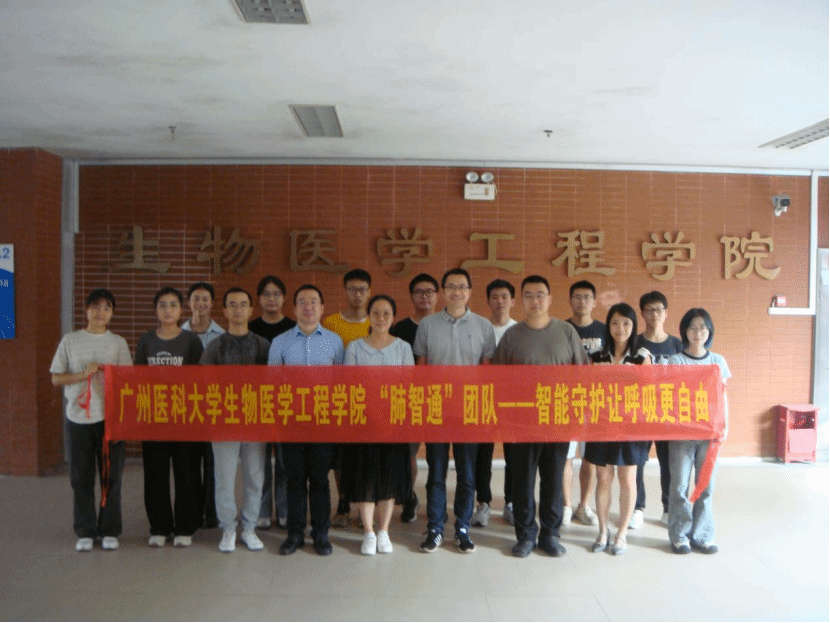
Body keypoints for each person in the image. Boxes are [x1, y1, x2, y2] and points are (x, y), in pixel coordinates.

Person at [494, 275, 589, 558]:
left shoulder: (566, 332)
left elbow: (582, 374)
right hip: (521, 424)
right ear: (520, 301)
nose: (535, 301)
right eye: (529, 295)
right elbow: (497, 379)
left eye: (540, 295)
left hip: (558, 421)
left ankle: (550, 534)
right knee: (522, 482)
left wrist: (578, 414)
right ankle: (525, 535)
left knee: (553, 481)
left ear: (549, 299)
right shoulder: (512, 336)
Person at [413, 268, 496, 554]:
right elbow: (421, 368)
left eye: (462, 287)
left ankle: (462, 528)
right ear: (443, 291)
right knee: (436, 471)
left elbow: (488, 371)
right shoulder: (427, 325)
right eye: (451, 287)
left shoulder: (484, 326)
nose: (456, 292)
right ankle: (435, 526)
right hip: (437, 407)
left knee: (467, 473)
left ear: (470, 292)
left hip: (469, 409)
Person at [50, 288, 132, 552]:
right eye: (96, 306)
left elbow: (127, 381)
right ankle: (85, 530)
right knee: (80, 478)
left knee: (111, 479)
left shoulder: (118, 343)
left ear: (112, 314)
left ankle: (109, 530)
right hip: (78, 420)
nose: (100, 312)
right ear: (86, 310)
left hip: (110, 421)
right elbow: (56, 378)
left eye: (107, 308)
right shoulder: (70, 340)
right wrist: (83, 374)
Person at [269, 285, 345, 556]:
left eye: (314, 301)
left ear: (322, 308)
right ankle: (295, 534)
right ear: (294, 309)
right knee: (295, 479)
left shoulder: (335, 342)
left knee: (320, 479)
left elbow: (341, 383)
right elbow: (272, 384)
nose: (308, 307)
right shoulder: (280, 342)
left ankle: (321, 533)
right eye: (302, 302)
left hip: (323, 420)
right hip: (291, 421)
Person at [199, 287, 270, 553]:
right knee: (224, 479)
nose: (238, 309)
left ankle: (249, 528)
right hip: (224, 422)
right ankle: (228, 527)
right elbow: (204, 385)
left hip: (255, 421)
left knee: (255, 478)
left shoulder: (263, 345)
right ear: (225, 311)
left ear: (251, 310)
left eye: (243, 304)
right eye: (232, 304)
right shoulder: (215, 346)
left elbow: (274, 384)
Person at [342, 295, 414, 555]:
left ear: (393, 317)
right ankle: (368, 532)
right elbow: (350, 385)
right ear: (369, 316)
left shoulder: (403, 348)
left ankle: (383, 531)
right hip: (364, 423)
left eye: (386, 313)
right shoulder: (355, 347)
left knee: (388, 478)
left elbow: (408, 386)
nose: (381, 318)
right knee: (366, 478)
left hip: (393, 424)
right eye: (376, 313)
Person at [136, 287, 204, 547]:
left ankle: (185, 527)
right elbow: (137, 379)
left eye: (173, 305)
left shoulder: (191, 341)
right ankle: (159, 527)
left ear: (181, 310)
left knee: (187, 473)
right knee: (155, 474)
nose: (168, 310)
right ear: (156, 310)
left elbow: (199, 380)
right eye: (162, 305)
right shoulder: (146, 341)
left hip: (185, 418)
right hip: (154, 419)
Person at [584, 303, 652, 556]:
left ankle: (621, 533)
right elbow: (587, 389)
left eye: (626, 323)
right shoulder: (596, 355)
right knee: (603, 478)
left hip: (631, 428)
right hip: (601, 425)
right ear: (608, 325)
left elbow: (650, 393)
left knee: (627, 479)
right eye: (614, 322)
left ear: (633, 326)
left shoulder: (641, 356)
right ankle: (603, 531)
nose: (620, 328)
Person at [668, 308, 730, 555]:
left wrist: (725, 425)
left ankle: (703, 535)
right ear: (684, 331)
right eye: (692, 327)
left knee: (705, 487)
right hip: (681, 434)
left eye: (703, 327)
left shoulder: (718, 361)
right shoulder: (676, 361)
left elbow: (723, 397)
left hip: (709, 434)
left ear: (709, 331)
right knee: (679, 487)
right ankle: (679, 535)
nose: (698, 332)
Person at [323, 268, 372, 527]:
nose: (357, 294)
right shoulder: (331, 323)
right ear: (345, 291)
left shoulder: (376, 321)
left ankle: (365, 506)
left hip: (371, 401)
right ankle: (342, 503)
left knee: (365, 456)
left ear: (369, 292)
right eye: (352, 289)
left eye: (362, 289)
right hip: (340, 400)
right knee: (340, 457)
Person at [248, 275, 296, 532]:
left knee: (286, 460)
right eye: (266, 294)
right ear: (259, 299)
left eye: (276, 293)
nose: (271, 299)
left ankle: (285, 509)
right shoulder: (250, 328)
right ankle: (263, 510)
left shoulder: (293, 328)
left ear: (284, 298)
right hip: (258, 402)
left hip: (286, 402)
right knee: (261, 461)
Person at [391, 273, 439, 523]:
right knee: (407, 454)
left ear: (437, 295)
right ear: (411, 296)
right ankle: (409, 498)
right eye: (419, 292)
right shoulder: (400, 328)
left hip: (440, 399)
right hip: (409, 400)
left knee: (437, 455)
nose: (425, 296)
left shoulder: (443, 326)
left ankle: (436, 505)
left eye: (429, 291)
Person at [634, 291, 683, 528]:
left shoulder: (677, 344)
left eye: (659, 310)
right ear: (642, 314)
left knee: (669, 463)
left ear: (666, 313)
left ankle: (668, 508)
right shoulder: (634, 343)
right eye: (650, 310)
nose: (655, 314)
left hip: (667, 414)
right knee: (636, 462)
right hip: (640, 412)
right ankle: (636, 508)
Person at [472, 279, 518, 528]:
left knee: (514, 455)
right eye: (494, 297)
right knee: (483, 455)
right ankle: (483, 503)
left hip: (512, 403)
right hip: (484, 400)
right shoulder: (480, 328)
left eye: (504, 296)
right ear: (488, 301)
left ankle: (510, 503)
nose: (499, 301)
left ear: (513, 301)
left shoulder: (519, 330)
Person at [182, 282, 224, 529]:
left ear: (212, 303)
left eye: (205, 299)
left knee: (212, 462)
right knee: (188, 462)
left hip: (213, 407)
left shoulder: (221, 335)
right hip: (185, 407)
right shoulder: (177, 333)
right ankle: (192, 512)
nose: (200, 303)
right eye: (196, 299)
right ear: (189, 303)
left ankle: (211, 512)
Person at [564, 280, 603, 527]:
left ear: (594, 302)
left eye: (587, 297)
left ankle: (584, 505)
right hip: (567, 403)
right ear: (570, 300)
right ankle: (566, 506)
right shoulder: (561, 328)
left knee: (589, 457)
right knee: (566, 457)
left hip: (594, 403)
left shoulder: (604, 330)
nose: (582, 301)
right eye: (577, 297)